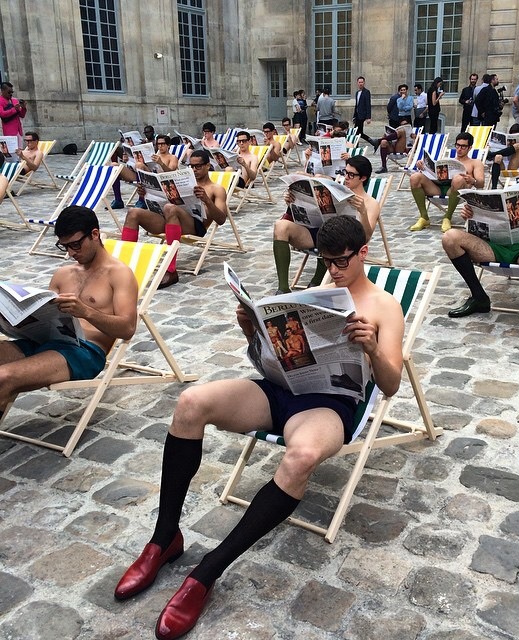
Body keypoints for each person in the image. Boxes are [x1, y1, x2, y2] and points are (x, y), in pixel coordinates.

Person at [113, 215, 404, 640]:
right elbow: (269, 362)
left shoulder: (383, 306)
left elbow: (391, 384)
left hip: (327, 405)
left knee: (302, 457)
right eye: (326, 261)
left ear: (363, 252)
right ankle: (164, 538)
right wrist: (251, 329)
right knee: (191, 403)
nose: (334, 270)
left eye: (342, 261)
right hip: (279, 390)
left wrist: (373, 348)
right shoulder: (312, 296)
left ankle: (207, 571)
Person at [0, 206, 138, 413]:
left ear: (94, 234)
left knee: (4, 378)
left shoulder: (119, 274)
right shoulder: (63, 274)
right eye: (64, 246)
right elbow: (40, 317)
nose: (71, 253)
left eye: (75, 245)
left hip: (84, 351)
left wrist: (86, 311)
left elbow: (127, 329)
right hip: (43, 343)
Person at [442, 158, 519, 351]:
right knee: (450, 237)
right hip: (495, 248)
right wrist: (470, 215)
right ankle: (479, 297)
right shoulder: (507, 195)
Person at [120, 150, 228, 288]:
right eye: (191, 166)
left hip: (195, 226)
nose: (194, 169)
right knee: (133, 213)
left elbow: (221, 219)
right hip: (169, 219)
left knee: (170, 208)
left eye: (198, 166)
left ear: (207, 166)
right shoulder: (183, 182)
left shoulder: (216, 189)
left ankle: (171, 271)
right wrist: (145, 193)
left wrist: (207, 200)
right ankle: (123, 268)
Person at [272, 155, 380, 294]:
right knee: (280, 226)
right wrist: (292, 201)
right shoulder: (334, 191)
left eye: (351, 175)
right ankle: (283, 288)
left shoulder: (370, 203)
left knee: (331, 234)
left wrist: (363, 212)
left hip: (341, 241)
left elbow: (366, 237)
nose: (346, 177)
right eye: (345, 172)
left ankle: (317, 281)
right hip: (316, 231)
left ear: (363, 178)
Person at [409, 131, 485, 232]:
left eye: (463, 146)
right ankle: (424, 217)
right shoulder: (447, 160)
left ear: (470, 147)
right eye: (457, 145)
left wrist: (473, 180)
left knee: (458, 179)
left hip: (457, 192)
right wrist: (423, 168)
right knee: (414, 177)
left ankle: (447, 217)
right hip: (438, 188)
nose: (459, 149)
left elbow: (481, 183)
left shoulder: (475, 162)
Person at [486, 124, 519, 189]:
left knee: (518, 145)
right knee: (497, 156)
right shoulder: (507, 142)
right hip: (502, 166)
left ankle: (492, 154)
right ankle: (494, 187)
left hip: (513, 166)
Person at [353, 76, 373, 143]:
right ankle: (373, 142)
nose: (360, 84)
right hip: (357, 115)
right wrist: (354, 116)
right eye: (359, 82)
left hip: (362, 115)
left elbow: (368, 105)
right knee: (359, 132)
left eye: (362, 82)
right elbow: (357, 105)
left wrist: (368, 117)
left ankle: (372, 142)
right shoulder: (357, 93)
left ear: (364, 83)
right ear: (357, 83)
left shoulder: (366, 92)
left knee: (357, 132)